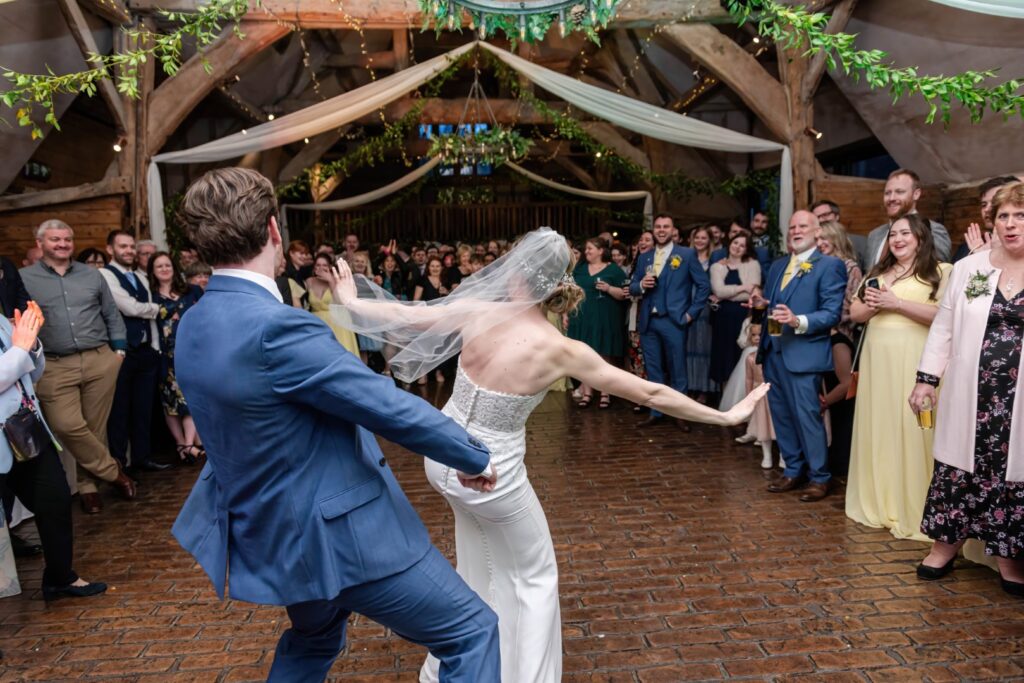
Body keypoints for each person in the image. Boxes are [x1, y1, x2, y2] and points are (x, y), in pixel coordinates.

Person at [329, 227, 770, 683]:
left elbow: (405, 315)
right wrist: (723, 416)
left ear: (516, 276)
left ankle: (465, 663)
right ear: (558, 282)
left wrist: (352, 299)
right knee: (536, 574)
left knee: (480, 560)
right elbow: (650, 391)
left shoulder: (477, 309)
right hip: (489, 474)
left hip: (441, 460)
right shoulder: (559, 350)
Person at [170, 167, 502, 682]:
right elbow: (382, 404)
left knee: (314, 635)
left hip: (269, 532)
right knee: (471, 631)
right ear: (274, 231)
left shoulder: (194, 319)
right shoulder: (275, 327)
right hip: (337, 534)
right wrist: (473, 455)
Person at [911, 182, 1024, 594]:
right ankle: (946, 546)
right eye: (1004, 216)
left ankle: (1009, 556)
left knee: (1014, 471)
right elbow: (943, 327)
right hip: (970, 392)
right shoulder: (969, 269)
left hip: (1019, 401)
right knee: (958, 467)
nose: (1011, 224)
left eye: (1020, 216)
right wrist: (926, 380)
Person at [20, 220, 136, 515]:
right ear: (40, 243)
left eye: (67, 239)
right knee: (67, 425)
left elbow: (110, 312)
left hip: (99, 358)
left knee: (95, 427)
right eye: (55, 239)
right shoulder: (23, 278)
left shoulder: (92, 275)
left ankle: (88, 488)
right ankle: (114, 472)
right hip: (54, 364)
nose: (62, 244)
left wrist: (119, 350)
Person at [847, 214, 951, 539]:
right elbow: (855, 313)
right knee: (882, 425)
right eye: (893, 234)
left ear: (921, 237)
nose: (898, 239)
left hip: (915, 360)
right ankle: (881, 499)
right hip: (878, 360)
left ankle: (922, 506)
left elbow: (944, 317)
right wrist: (875, 306)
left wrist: (898, 303)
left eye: (905, 233)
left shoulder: (940, 271)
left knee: (915, 428)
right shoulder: (877, 272)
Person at [0, 302, 107, 600]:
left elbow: (31, 374)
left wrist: (32, 345)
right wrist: (20, 349)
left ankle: (60, 577)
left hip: (23, 431)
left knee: (55, 498)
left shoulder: (2, 321)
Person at [751, 210, 847, 502]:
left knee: (807, 417)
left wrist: (798, 321)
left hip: (804, 353)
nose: (796, 230)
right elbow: (776, 307)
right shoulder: (779, 265)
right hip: (773, 351)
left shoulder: (830, 265)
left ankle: (819, 477)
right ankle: (793, 469)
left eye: (803, 225)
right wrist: (762, 305)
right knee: (781, 415)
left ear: (818, 232)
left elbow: (831, 313)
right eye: (792, 226)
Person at [629, 215, 711, 431]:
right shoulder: (645, 256)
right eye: (658, 227)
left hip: (674, 320)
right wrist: (641, 286)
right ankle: (656, 411)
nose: (661, 230)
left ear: (673, 230)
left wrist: (691, 314)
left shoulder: (686, 254)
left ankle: (680, 413)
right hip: (648, 321)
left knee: (678, 369)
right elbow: (632, 286)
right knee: (653, 369)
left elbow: (703, 286)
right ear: (653, 230)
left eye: (666, 226)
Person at [99, 230, 170, 474]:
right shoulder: (105, 275)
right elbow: (127, 307)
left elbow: (145, 314)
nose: (128, 251)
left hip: (146, 351)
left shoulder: (139, 277)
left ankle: (143, 457)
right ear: (110, 249)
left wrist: (155, 346)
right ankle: (121, 464)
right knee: (120, 410)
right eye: (123, 246)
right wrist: (157, 308)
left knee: (143, 409)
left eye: (131, 247)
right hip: (122, 353)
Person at [147, 252, 204, 465]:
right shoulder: (150, 297)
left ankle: (189, 444)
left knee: (188, 397)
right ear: (152, 271)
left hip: (191, 351)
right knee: (169, 403)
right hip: (163, 355)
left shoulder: (191, 291)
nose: (164, 269)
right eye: (159, 266)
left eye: (167, 265)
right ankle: (182, 444)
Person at [567, 238, 628, 409]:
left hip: (605, 317)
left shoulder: (614, 270)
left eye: (590, 249)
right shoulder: (579, 269)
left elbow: (624, 293)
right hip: (581, 317)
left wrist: (609, 289)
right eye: (586, 250)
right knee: (583, 356)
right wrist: (566, 312)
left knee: (603, 355)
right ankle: (587, 393)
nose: (586, 252)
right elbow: (569, 290)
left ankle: (605, 393)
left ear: (601, 251)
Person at [865, 169, 951, 269]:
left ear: (916, 194)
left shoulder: (932, 230)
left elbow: (937, 272)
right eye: (887, 193)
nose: (891, 198)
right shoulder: (874, 235)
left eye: (899, 192)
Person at [710, 232, 762, 386]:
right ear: (729, 243)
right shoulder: (716, 267)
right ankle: (725, 400)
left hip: (744, 317)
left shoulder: (753, 264)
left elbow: (752, 294)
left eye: (742, 245)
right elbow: (718, 291)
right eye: (735, 243)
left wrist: (727, 293)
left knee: (740, 356)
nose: (737, 247)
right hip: (722, 319)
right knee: (723, 358)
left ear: (747, 249)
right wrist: (743, 287)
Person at [952, 176, 1020, 263]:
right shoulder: (969, 247)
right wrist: (978, 258)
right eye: (984, 204)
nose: (987, 209)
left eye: (994, 202)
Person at [304, 253, 360, 357]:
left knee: (341, 355)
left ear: (330, 267)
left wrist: (330, 280)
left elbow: (340, 300)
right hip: (318, 324)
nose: (321, 268)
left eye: (324, 265)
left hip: (338, 322)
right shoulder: (309, 281)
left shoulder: (336, 280)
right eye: (318, 265)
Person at [815, 221, 863, 341]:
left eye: (823, 238)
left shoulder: (851, 268)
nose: (819, 243)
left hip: (839, 334)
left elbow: (850, 307)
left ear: (836, 238)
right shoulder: (815, 265)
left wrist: (832, 328)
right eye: (816, 239)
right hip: (814, 330)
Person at [686, 227, 717, 401]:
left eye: (703, 237)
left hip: (706, 309)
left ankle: (705, 389)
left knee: (704, 347)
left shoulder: (715, 260)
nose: (699, 240)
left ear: (709, 240)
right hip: (687, 308)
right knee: (688, 348)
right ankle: (691, 386)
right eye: (696, 237)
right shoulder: (685, 257)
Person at [811, 199, 867, 268]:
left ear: (837, 216)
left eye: (825, 215)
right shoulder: (813, 246)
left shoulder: (860, 242)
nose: (821, 220)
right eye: (817, 217)